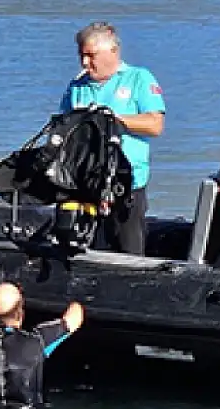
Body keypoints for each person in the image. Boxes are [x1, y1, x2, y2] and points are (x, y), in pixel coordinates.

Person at [61, 21, 165, 255]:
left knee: (129, 253)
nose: (85, 63)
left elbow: (155, 125)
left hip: (125, 185)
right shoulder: (77, 86)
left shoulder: (139, 78)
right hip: (86, 186)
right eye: (81, 56)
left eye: (91, 55)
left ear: (113, 52)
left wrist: (113, 120)